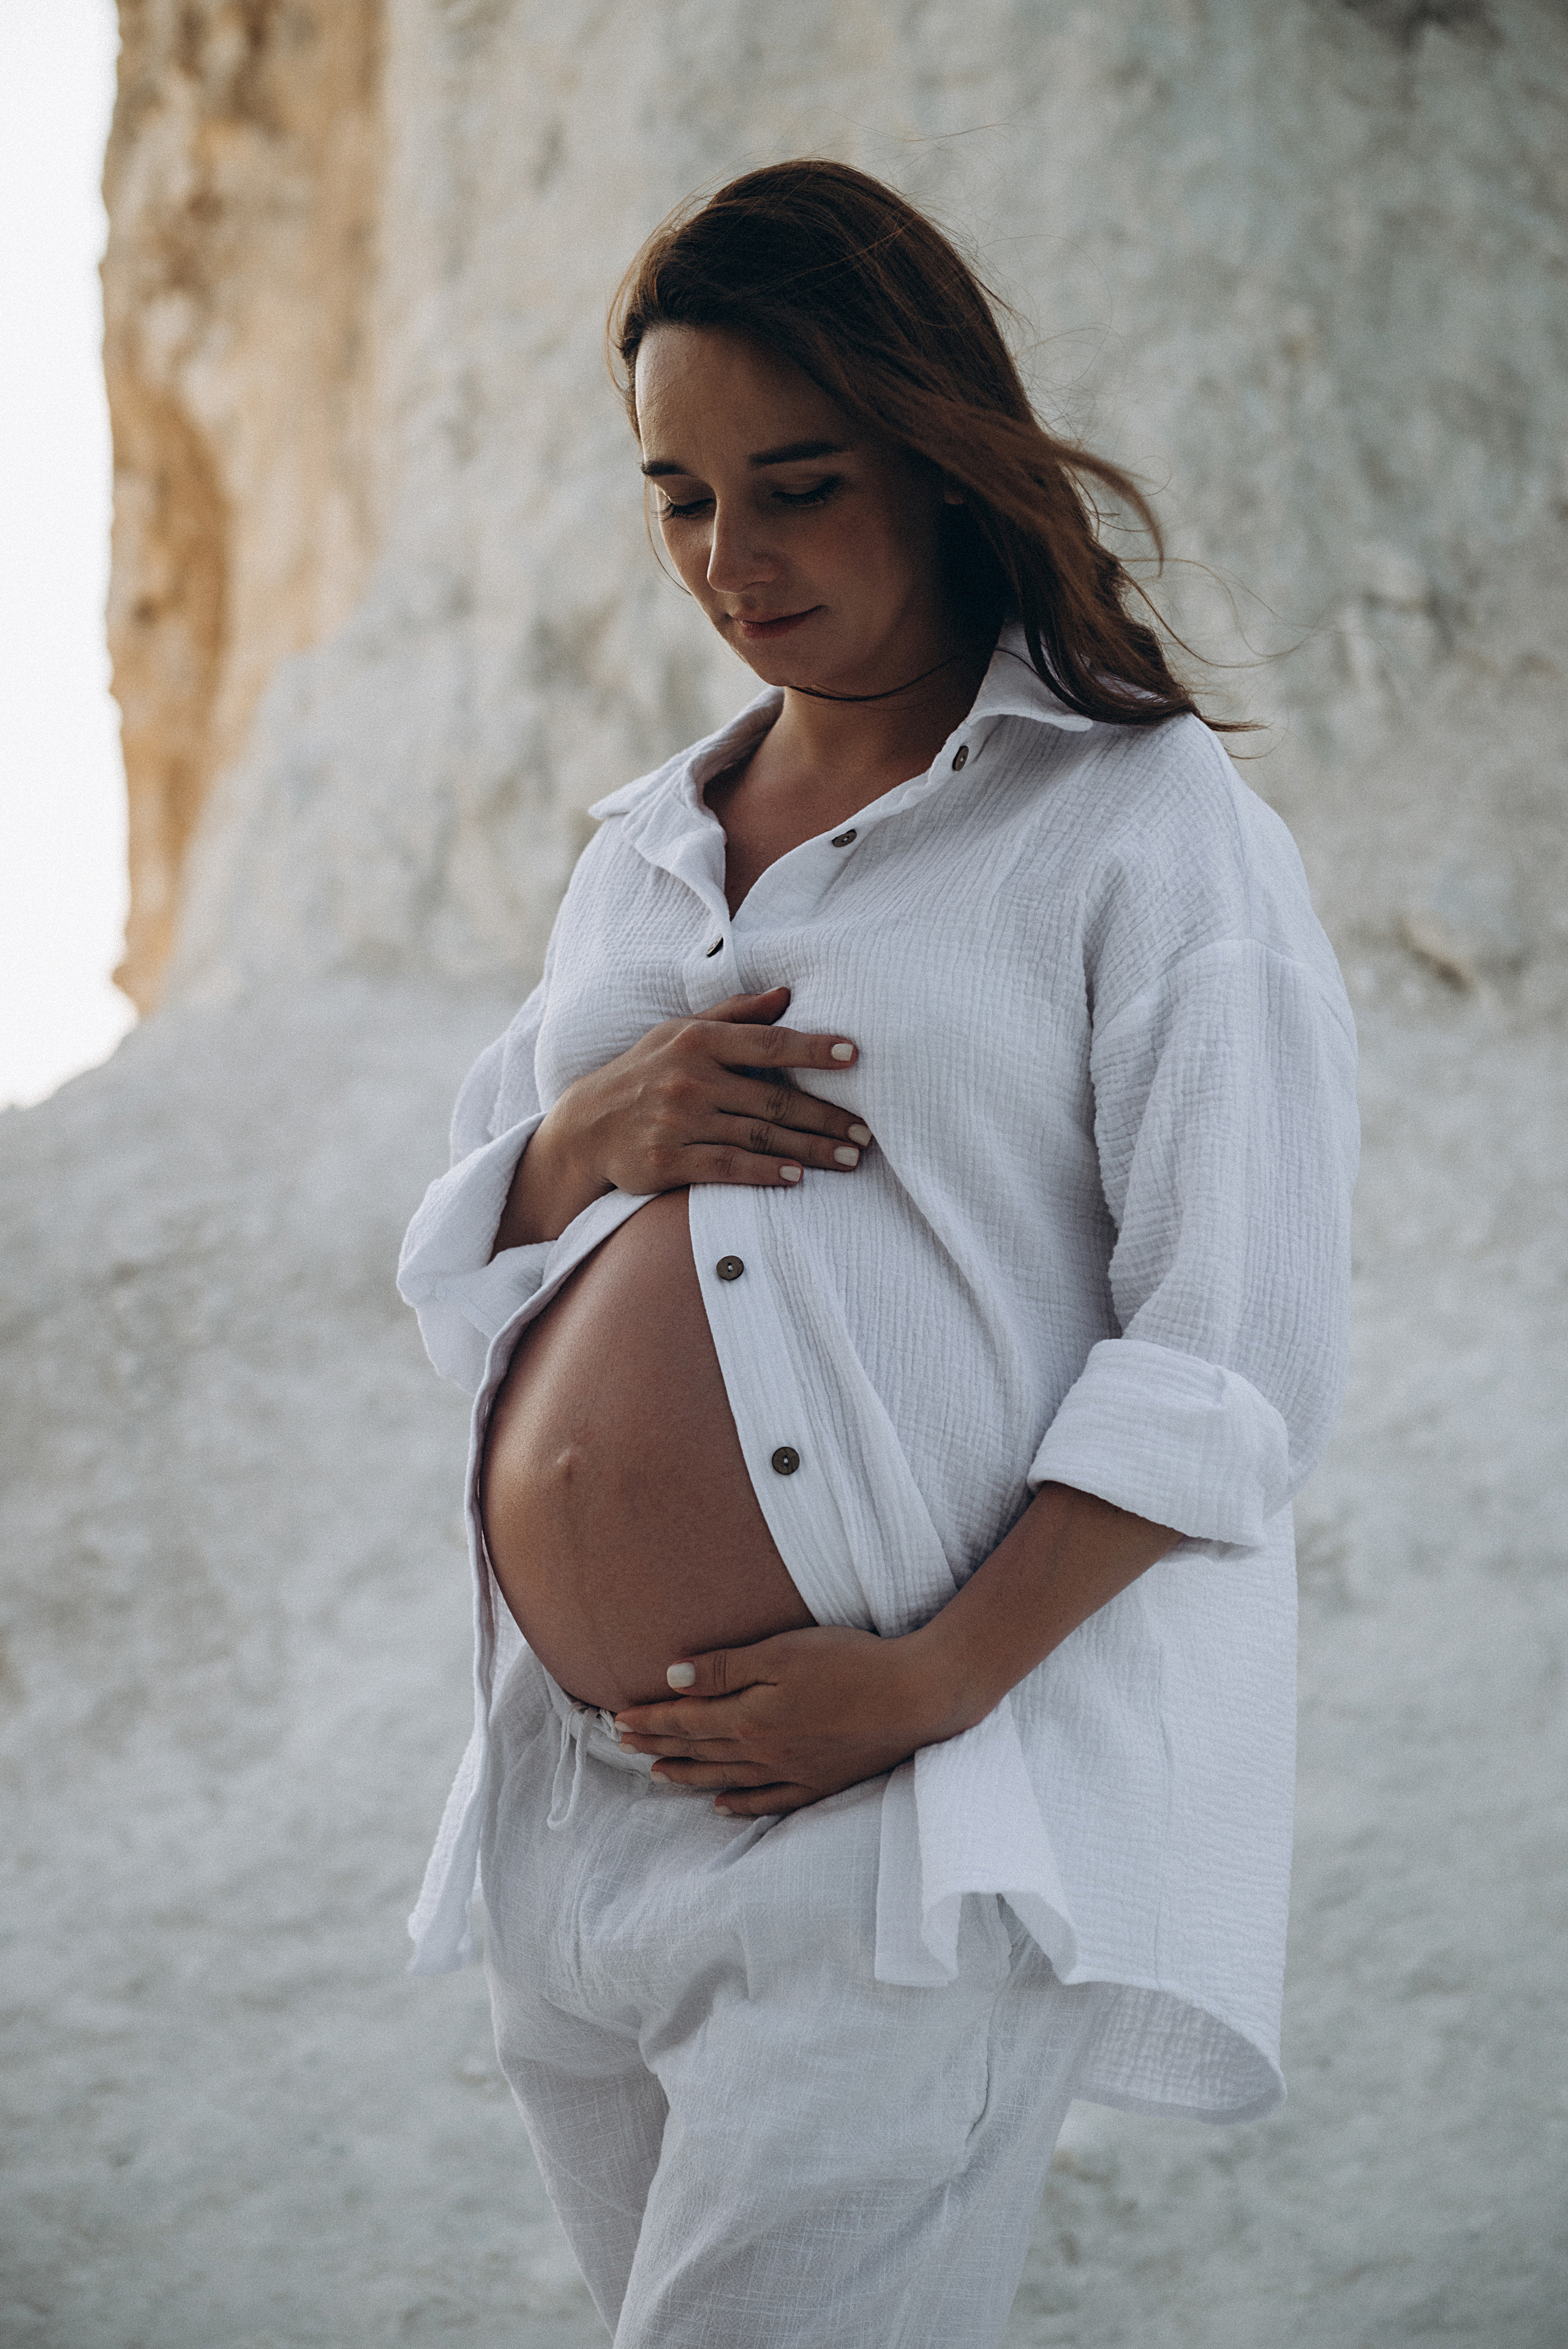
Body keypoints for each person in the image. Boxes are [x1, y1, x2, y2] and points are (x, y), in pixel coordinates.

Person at [397, 159, 1359, 2349]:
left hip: (896, 1818)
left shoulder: (1143, 830)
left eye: (798, 486)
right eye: (677, 499)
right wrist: (579, 1139)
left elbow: (1240, 1348)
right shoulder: (641, 848)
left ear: (936, 454)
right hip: (575, 1810)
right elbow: (469, 1249)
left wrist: (932, 1679)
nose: (733, 564)